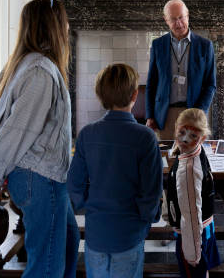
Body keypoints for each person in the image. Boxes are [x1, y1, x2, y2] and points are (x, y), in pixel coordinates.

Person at [0, 0, 80, 277]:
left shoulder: (28, 65)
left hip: (45, 177)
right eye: (64, 22)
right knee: (46, 266)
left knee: (68, 245)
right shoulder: (39, 72)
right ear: (53, 28)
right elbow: (16, 132)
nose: (68, 28)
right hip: (39, 178)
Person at [67, 63, 163, 278]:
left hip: (96, 230)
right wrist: (148, 218)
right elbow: (152, 190)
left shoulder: (87, 134)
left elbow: (74, 185)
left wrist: (88, 206)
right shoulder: (145, 137)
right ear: (135, 95)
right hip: (129, 232)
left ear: (100, 95)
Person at [146, 0, 216, 140]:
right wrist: (150, 116)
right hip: (164, 115)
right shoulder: (158, 45)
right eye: (173, 19)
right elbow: (151, 83)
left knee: (192, 158)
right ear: (166, 20)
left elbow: (210, 84)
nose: (178, 23)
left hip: (192, 113)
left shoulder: (205, 45)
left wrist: (199, 112)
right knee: (167, 160)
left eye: (181, 17)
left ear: (187, 16)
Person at [166, 108, 221, 278]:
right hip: (204, 228)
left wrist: (192, 254)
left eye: (193, 136)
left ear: (202, 138)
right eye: (181, 132)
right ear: (176, 128)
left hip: (193, 238)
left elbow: (191, 215)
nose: (184, 139)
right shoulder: (194, 151)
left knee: (194, 271)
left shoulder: (189, 171)